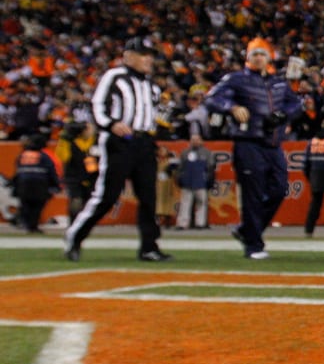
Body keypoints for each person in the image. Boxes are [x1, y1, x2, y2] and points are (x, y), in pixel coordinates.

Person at [64, 37, 172, 262]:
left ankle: (149, 247)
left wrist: (156, 136)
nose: (148, 59)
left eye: (150, 55)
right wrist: (112, 124)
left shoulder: (151, 85)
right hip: (118, 142)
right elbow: (97, 105)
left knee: (148, 198)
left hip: (143, 144)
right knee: (107, 195)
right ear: (128, 56)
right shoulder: (114, 76)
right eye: (143, 54)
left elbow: (153, 116)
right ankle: (74, 237)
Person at [202, 37, 303, 260]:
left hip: (273, 143)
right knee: (253, 194)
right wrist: (232, 106)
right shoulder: (236, 79)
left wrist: (283, 115)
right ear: (248, 57)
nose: (259, 58)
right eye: (255, 54)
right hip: (247, 141)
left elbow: (296, 104)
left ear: (269, 58)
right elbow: (211, 98)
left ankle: (247, 229)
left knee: (279, 188)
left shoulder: (278, 83)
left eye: (262, 54)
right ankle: (254, 244)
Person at [13, 133, 60, 234]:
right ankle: (33, 226)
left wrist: (15, 186)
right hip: (40, 183)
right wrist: (56, 185)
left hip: (23, 183)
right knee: (37, 206)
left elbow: (17, 171)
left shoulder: (22, 155)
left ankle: (26, 224)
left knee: (25, 204)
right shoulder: (44, 156)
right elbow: (51, 171)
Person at [54, 121, 97, 222]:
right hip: (74, 177)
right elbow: (63, 157)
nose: (90, 131)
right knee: (76, 200)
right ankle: (73, 222)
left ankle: (85, 223)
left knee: (89, 202)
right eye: (87, 129)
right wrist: (64, 140)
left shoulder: (95, 140)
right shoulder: (70, 142)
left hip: (91, 176)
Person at [175, 130, 215, 230]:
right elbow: (180, 168)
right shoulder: (185, 152)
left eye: (197, 140)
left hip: (201, 182)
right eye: (193, 140)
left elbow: (210, 168)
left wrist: (209, 180)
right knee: (185, 203)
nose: (195, 142)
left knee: (201, 203)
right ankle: (182, 224)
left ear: (201, 141)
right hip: (187, 182)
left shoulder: (206, 153)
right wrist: (180, 179)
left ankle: (200, 223)